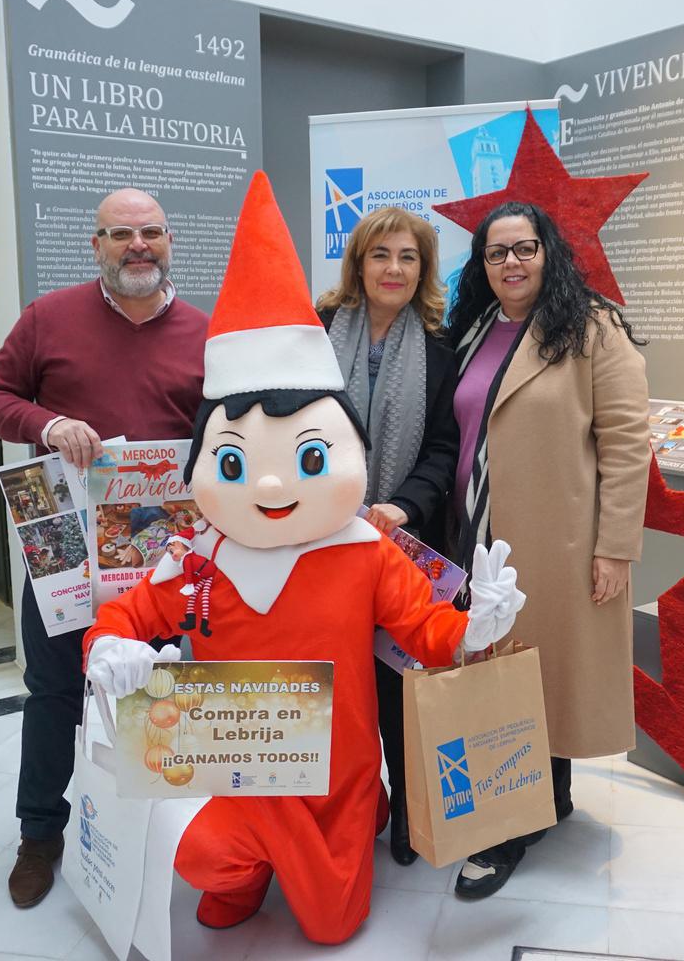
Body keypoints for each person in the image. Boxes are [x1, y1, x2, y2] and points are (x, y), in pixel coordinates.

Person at [84, 171, 521, 944]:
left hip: (332, 784)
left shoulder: (365, 553)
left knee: (329, 926)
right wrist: (110, 646)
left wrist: (474, 629)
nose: (272, 484)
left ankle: (357, 815)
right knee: (204, 858)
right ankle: (256, 857)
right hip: (230, 769)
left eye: (309, 458)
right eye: (235, 462)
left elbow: (425, 633)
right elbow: (128, 613)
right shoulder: (197, 557)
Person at [0, 187, 209, 908]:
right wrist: (47, 426)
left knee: (150, 686)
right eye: (121, 234)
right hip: (64, 546)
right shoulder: (49, 317)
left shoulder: (206, 332)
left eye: (151, 232)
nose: (138, 246)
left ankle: (144, 831)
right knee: (53, 692)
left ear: (169, 241)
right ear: (96, 244)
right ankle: (40, 833)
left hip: (159, 552)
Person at [445, 200, 651, 899]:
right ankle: (548, 797)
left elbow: (626, 443)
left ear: (548, 252)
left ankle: (505, 830)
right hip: (472, 536)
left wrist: (615, 547)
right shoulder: (474, 331)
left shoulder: (592, 328)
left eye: (524, 248)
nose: (511, 262)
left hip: (554, 541)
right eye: (496, 252)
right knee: (504, 677)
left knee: (530, 679)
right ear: (481, 264)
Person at [315, 205, 459, 866]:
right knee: (337, 687)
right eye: (380, 254)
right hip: (318, 540)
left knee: (399, 684)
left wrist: (403, 505)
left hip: (398, 542)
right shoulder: (316, 331)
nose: (393, 268)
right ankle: (342, 808)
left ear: (423, 269)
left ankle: (406, 810)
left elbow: (444, 447)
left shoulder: (440, 347)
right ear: (358, 263)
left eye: (408, 257)